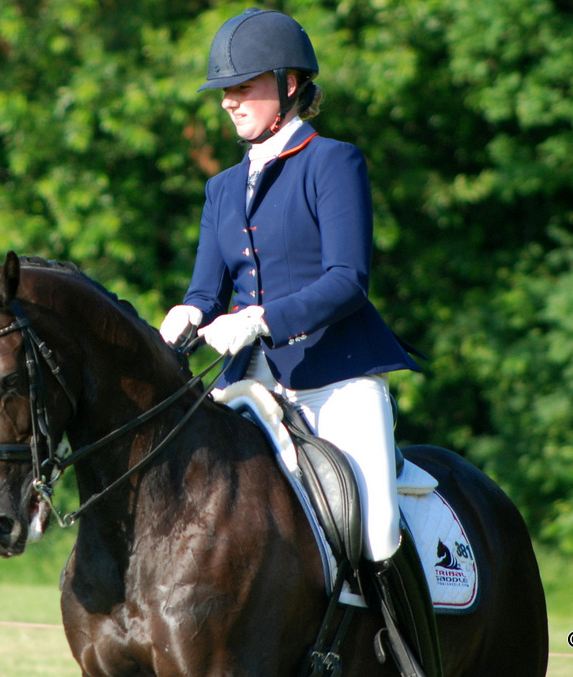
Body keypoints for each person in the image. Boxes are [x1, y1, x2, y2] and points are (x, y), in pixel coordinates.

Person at [159, 9, 441, 677]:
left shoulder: (332, 162)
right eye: (224, 90)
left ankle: (405, 654)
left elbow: (349, 279)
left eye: (244, 86)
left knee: (374, 526)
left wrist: (260, 317)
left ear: (290, 85)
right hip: (249, 384)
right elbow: (207, 290)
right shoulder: (221, 188)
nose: (229, 101)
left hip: (335, 377)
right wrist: (183, 314)